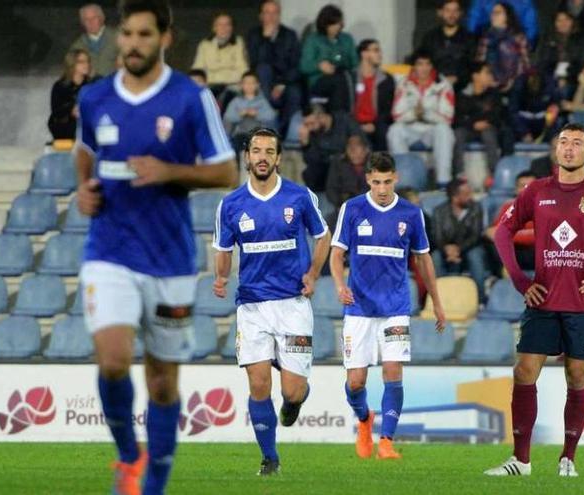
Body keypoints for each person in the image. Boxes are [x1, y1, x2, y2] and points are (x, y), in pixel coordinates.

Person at [74, 1, 238, 493]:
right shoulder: (95, 97)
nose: (133, 44)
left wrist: (169, 172)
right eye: (127, 34)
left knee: (163, 382)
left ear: (166, 38)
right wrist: (84, 189)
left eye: (145, 34)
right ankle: (128, 456)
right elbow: (84, 153)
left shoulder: (191, 99)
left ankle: (155, 486)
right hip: (109, 250)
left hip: (169, 260)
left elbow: (227, 171)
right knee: (113, 359)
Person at [484, 123, 584, 477]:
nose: (569, 148)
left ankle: (568, 458)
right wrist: (519, 280)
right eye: (563, 142)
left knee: (577, 376)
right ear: (555, 150)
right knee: (524, 371)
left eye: (577, 143)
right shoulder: (536, 191)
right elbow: (503, 232)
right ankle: (521, 461)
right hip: (542, 301)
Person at [213, 128, 330, 476]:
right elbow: (223, 249)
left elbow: (322, 238)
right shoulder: (231, 204)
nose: (262, 157)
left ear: (278, 158)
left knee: (291, 391)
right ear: (247, 156)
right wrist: (221, 277)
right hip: (251, 306)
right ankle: (270, 459)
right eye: (256, 150)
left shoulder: (299, 197)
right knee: (259, 383)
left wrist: (312, 274)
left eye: (269, 151)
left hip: (292, 305)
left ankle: (295, 400)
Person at [330, 152, 445, 460]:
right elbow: (336, 254)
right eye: (376, 182)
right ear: (368, 179)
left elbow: (423, 259)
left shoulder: (410, 214)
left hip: (395, 306)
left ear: (396, 179)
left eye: (388, 181)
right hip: (359, 309)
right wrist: (340, 286)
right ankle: (365, 420)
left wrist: (437, 300)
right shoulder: (352, 209)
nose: (382, 188)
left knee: (393, 372)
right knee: (356, 381)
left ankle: (387, 442)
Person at [387, 50, 456, 186]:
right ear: (414, 66)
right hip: (411, 127)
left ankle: (443, 182)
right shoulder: (404, 84)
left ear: (432, 66)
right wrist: (414, 114)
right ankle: (404, 180)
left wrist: (425, 114)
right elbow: (396, 115)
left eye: (427, 64)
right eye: (420, 64)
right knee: (395, 130)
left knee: (444, 131)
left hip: (432, 129)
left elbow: (448, 118)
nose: (424, 68)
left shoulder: (443, 85)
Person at [245, 0, 301, 136]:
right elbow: (254, 62)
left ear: (279, 15)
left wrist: (282, 83)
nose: (271, 17)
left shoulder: (290, 35)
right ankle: (269, 122)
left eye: (275, 13)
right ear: (261, 16)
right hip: (262, 81)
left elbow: (295, 63)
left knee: (294, 94)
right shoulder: (253, 35)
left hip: (284, 81)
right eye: (267, 13)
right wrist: (265, 39)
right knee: (263, 69)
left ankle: (279, 131)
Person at [431, 178, 489, 303]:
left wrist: (458, 249)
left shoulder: (476, 208)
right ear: (455, 197)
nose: (471, 197)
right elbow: (437, 236)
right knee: (435, 257)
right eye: (467, 194)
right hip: (445, 248)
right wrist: (446, 249)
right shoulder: (439, 211)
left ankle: (480, 300)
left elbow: (475, 235)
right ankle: (439, 299)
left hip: (469, 247)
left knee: (475, 256)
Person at [475, 3, 531, 124]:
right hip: (491, 82)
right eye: (493, 13)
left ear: (507, 16)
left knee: (518, 90)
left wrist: (511, 80)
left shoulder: (518, 37)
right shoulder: (486, 38)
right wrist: (491, 80)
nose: (494, 16)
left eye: (498, 13)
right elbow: (480, 63)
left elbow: (525, 65)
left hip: (514, 82)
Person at [453, 62, 511, 176]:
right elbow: (458, 117)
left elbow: (498, 114)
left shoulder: (494, 94)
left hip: (488, 127)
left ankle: (493, 173)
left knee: (488, 133)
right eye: (487, 73)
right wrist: (473, 124)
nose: (491, 77)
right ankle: (459, 173)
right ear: (475, 76)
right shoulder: (463, 94)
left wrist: (483, 121)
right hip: (468, 128)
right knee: (458, 134)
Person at [300, 4, 358, 112]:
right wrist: (319, 66)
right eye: (333, 24)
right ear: (324, 24)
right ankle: (342, 116)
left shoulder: (347, 39)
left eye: (339, 23)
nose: (337, 27)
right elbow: (304, 66)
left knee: (345, 80)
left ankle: (345, 116)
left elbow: (355, 63)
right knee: (338, 82)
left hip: (343, 77)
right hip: (319, 81)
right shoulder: (313, 40)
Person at [298, 103, 364, 193]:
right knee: (311, 172)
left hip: (347, 164)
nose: (309, 128)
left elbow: (361, 144)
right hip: (325, 169)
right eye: (306, 124)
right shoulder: (312, 132)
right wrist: (305, 144)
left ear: (321, 117)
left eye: (311, 123)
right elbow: (311, 161)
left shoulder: (344, 120)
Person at [417, 0, 476, 90]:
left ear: (460, 13)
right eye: (447, 10)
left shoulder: (469, 38)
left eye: (455, 11)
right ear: (440, 13)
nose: (451, 15)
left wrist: (458, 78)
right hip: (433, 86)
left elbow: (473, 65)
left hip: (462, 88)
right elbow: (420, 61)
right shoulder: (430, 37)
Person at [485, 170, 537, 271]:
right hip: (515, 252)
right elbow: (492, 232)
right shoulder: (508, 207)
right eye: (522, 186)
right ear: (516, 189)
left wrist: (509, 235)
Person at [534, 9, 584, 98]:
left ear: (572, 21)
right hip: (549, 77)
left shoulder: (581, 39)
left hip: (572, 78)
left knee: (562, 91)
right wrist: (556, 77)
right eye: (559, 20)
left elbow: (581, 63)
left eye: (566, 20)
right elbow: (541, 62)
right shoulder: (547, 38)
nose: (563, 23)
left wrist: (565, 77)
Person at [191, 12, 249, 97]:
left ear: (232, 28)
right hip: (209, 86)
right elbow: (197, 70)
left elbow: (243, 70)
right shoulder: (204, 45)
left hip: (232, 86)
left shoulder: (239, 42)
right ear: (214, 28)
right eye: (220, 24)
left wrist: (213, 76)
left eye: (227, 24)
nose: (223, 28)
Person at [352, 39, 395, 151]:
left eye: (379, 51)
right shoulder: (350, 78)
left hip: (377, 124)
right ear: (364, 54)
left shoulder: (386, 79)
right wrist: (358, 126)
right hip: (353, 123)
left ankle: (381, 168)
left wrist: (374, 124)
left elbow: (388, 109)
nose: (380, 54)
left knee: (383, 132)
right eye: (376, 50)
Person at [223, 71, 278, 153]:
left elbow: (271, 117)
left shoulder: (262, 101)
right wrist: (240, 114)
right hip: (241, 134)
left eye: (252, 83)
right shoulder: (236, 101)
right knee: (235, 142)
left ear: (257, 85)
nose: (249, 86)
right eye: (246, 83)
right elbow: (227, 118)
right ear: (241, 85)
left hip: (258, 134)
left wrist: (257, 114)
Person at [325, 134, 370, 226]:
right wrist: (340, 203)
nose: (353, 153)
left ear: (366, 150)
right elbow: (331, 188)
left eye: (357, 149)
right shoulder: (339, 164)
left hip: (368, 206)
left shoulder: (374, 164)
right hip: (343, 205)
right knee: (329, 222)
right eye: (350, 149)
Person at [49, 49, 93, 141]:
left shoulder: (93, 85)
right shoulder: (60, 86)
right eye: (81, 62)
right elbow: (56, 113)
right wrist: (71, 110)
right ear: (72, 64)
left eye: (87, 61)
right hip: (66, 133)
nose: (86, 65)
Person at [70, 3, 119, 77]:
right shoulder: (77, 46)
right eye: (86, 19)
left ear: (102, 18)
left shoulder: (118, 37)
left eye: (94, 18)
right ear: (82, 23)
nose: (90, 22)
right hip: (91, 86)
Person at [467, 0, 539, 47]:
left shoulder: (524, 2)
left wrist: (528, 41)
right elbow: (474, 20)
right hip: (489, 37)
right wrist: (472, 40)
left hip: (514, 39)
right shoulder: (482, 2)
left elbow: (530, 27)